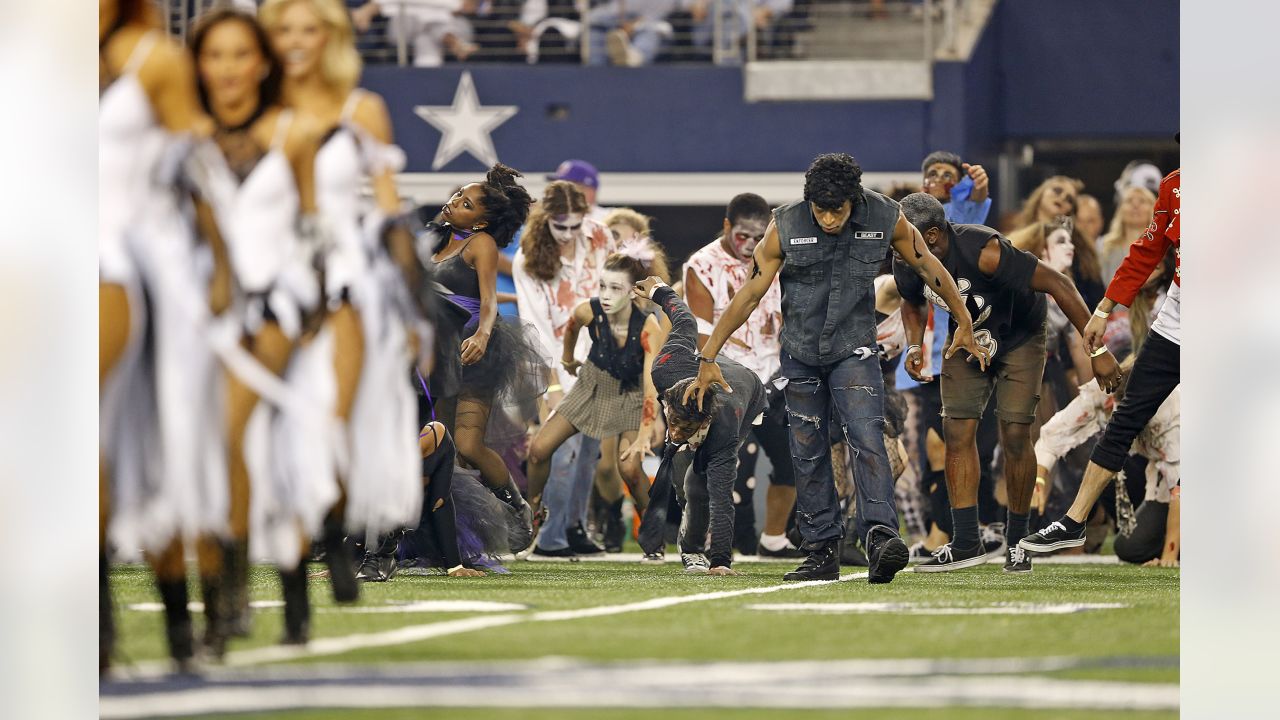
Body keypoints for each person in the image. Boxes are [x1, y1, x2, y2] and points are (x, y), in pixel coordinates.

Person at [686, 153, 987, 584]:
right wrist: (708, 354)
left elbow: (928, 266)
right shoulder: (784, 224)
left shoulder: (886, 214)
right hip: (801, 353)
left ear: (855, 201)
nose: (828, 218)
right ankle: (821, 550)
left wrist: (964, 320)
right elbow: (751, 293)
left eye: (837, 210)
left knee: (867, 438)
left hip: (855, 351)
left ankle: (881, 537)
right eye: (820, 209)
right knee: (807, 452)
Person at [261, 0, 421, 612]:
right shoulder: (257, 109)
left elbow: (386, 205)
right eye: (283, 30)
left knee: (333, 416)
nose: (295, 42)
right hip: (271, 276)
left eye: (309, 29)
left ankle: (327, 533)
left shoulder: (362, 109)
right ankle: (304, 539)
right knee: (273, 418)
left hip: (347, 278)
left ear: (330, 37)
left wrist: (408, 302)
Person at [894, 193, 1121, 573]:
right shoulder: (906, 253)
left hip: (1020, 336)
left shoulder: (984, 249)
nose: (897, 246)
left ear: (931, 235)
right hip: (967, 339)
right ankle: (966, 541)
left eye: (905, 236)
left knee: (1015, 435)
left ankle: (1018, 541)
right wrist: (915, 343)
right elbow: (912, 299)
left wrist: (1097, 352)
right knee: (957, 430)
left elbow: (1059, 284)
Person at [99, 0, 217, 674]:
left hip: (125, 264)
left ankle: (174, 613)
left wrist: (224, 268)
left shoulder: (155, 58)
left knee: (137, 440)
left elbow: (200, 165)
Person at [1021, 168, 1181, 555]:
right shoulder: (1175, 186)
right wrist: (1104, 309)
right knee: (1126, 417)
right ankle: (1074, 521)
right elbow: (1146, 251)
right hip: (1178, 321)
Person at [427, 164, 544, 552]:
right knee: (438, 445)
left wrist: (482, 333)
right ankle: (438, 532)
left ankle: (516, 504)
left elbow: (489, 299)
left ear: (481, 222)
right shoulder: (434, 237)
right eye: (458, 194)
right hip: (435, 351)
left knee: (468, 445)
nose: (454, 202)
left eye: (466, 203)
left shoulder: (481, 245)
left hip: (474, 350)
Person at [525, 243, 668, 558]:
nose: (605, 293)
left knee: (629, 467)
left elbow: (649, 385)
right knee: (538, 450)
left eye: (615, 288)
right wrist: (567, 360)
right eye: (603, 284)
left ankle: (652, 533)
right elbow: (573, 326)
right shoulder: (589, 310)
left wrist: (646, 432)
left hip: (631, 394)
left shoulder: (648, 327)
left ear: (633, 291)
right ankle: (532, 514)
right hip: (590, 384)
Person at [683, 192, 799, 557]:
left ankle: (774, 539)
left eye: (757, 236)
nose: (750, 245)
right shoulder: (702, 265)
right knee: (724, 469)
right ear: (726, 226)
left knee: (793, 461)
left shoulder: (777, 256)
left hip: (776, 373)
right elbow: (700, 333)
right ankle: (707, 540)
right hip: (728, 376)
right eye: (743, 236)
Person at [635, 276, 767, 575]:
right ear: (667, 403)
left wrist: (721, 561)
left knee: (700, 486)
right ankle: (688, 524)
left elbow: (724, 501)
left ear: (705, 421)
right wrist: (659, 291)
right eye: (674, 424)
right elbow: (686, 322)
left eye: (686, 430)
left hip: (747, 394)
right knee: (683, 483)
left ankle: (695, 551)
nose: (675, 433)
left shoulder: (724, 424)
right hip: (698, 377)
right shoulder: (665, 367)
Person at [513, 181, 618, 557]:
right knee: (563, 448)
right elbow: (536, 326)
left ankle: (574, 528)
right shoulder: (527, 259)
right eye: (562, 226)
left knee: (590, 451)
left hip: (602, 358)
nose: (570, 234)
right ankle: (549, 535)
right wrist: (554, 384)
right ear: (546, 219)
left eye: (577, 225)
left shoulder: (601, 237)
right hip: (556, 361)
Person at [1029, 359, 1180, 566]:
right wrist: (1039, 477)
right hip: (1156, 472)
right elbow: (1053, 434)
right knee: (1131, 548)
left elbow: (1180, 487)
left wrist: (1168, 556)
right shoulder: (1104, 392)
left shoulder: (1171, 411)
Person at [1098, 185, 1157, 285]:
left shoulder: (1162, 248)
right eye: (1129, 201)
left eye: (1142, 201)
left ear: (1153, 209)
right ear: (1120, 210)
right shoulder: (1103, 246)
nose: (1135, 205)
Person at [919, 150, 990, 225]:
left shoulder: (962, 210)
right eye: (933, 174)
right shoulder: (914, 211)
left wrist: (979, 182)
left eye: (947, 175)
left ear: (958, 183)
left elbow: (978, 197)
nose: (938, 180)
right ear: (924, 181)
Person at [1009, 175, 1084, 232]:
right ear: (1041, 193)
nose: (1062, 197)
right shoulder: (1014, 232)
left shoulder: (1072, 246)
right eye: (1057, 190)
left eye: (1069, 199)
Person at [547, 159, 612, 223]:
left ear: (588, 191)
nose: (558, 192)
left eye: (566, 188)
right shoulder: (548, 217)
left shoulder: (609, 219)